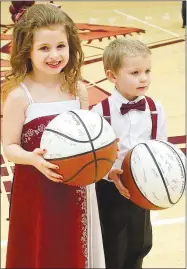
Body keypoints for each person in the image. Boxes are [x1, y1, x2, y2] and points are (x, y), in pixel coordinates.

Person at [2, 4, 105, 268]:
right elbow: (10, 147)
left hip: (77, 189)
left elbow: (92, 142)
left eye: (61, 46)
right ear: (28, 51)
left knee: (72, 252)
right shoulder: (19, 96)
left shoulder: (78, 90)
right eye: (44, 48)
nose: (55, 55)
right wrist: (33, 160)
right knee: (40, 251)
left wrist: (106, 164)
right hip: (36, 190)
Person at [92, 38, 167, 269]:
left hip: (142, 188)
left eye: (147, 71)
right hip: (110, 188)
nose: (143, 78)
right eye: (135, 72)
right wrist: (108, 173)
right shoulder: (99, 112)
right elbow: (93, 158)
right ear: (112, 76)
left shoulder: (155, 109)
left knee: (140, 243)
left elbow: (161, 147)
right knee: (112, 245)